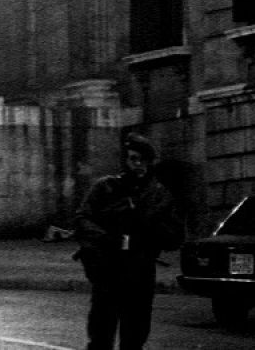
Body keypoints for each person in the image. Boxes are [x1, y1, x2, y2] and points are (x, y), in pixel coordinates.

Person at [72, 134, 184, 350]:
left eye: (143, 160)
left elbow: (175, 237)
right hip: (108, 267)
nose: (138, 165)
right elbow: (82, 218)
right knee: (101, 330)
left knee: (135, 332)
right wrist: (105, 238)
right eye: (133, 159)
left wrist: (149, 228)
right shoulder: (106, 188)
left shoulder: (158, 195)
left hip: (139, 268)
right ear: (125, 161)